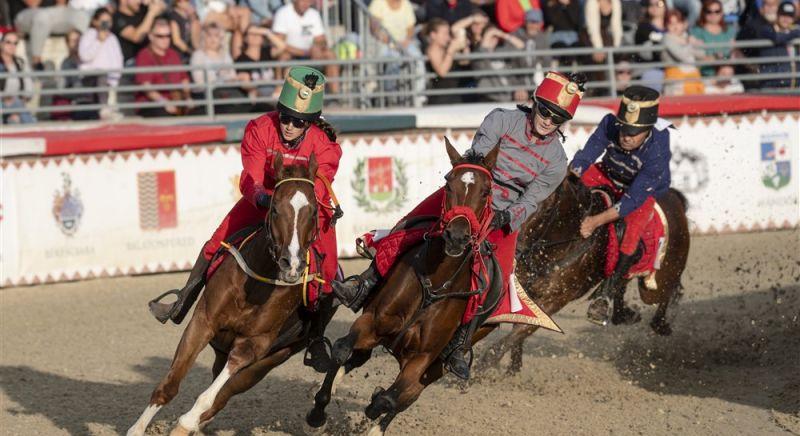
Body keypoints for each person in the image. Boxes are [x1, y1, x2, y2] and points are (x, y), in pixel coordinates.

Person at [333, 71, 585, 380]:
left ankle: (459, 344)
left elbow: (532, 200)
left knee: (500, 282)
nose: (548, 120)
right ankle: (364, 284)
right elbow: (476, 160)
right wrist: (471, 200)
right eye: (546, 110)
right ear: (534, 102)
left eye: (557, 117)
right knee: (406, 227)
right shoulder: (501, 119)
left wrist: (508, 216)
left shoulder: (557, 160)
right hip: (470, 194)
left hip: (503, 215)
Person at [148, 66, 342, 328]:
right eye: (285, 117)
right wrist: (264, 199)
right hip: (264, 200)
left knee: (328, 264)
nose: (288, 126)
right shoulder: (260, 129)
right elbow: (251, 178)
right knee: (215, 242)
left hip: (304, 205)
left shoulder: (325, 145)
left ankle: (317, 332)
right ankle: (182, 303)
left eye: (298, 122)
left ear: (310, 123)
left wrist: (294, 207)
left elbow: (318, 187)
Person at [569, 86, 672, 326]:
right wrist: (573, 176)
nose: (626, 136)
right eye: (624, 129)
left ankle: (606, 294)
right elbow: (587, 155)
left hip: (638, 190)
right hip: (607, 173)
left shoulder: (658, 148)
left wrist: (594, 222)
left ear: (647, 130)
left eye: (634, 132)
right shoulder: (609, 123)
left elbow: (632, 200)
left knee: (632, 231)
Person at [271, 0, 340, 94]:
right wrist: (305, 52)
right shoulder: (283, 13)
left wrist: (316, 47)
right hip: (291, 55)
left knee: (330, 55)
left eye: (309, 1)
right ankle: (280, 92)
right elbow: (279, 44)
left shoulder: (314, 14)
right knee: (283, 56)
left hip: (310, 54)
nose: (306, 4)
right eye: (303, 1)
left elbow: (322, 40)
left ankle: (335, 96)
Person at [134, 18, 194, 117]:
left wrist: (187, 98)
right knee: (162, 113)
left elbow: (184, 79)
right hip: (152, 104)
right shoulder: (144, 56)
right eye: (160, 36)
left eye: (168, 36)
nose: (165, 39)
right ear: (151, 36)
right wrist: (163, 102)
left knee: (199, 110)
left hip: (176, 100)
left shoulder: (174, 54)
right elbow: (146, 87)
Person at [13, 0, 96, 69]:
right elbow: (33, 3)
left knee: (82, 17)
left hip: (54, 12)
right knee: (42, 17)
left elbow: (61, 4)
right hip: (27, 14)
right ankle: (37, 62)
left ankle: (79, 60)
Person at [79, 7, 124, 116]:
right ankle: (104, 108)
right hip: (91, 78)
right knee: (102, 76)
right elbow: (84, 56)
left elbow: (118, 59)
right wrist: (99, 41)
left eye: (109, 21)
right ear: (95, 21)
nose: (106, 24)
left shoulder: (113, 38)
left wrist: (115, 78)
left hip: (110, 79)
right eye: (103, 21)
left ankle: (109, 108)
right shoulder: (89, 34)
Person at [234, 25, 286, 111]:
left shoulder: (267, 52)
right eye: (251, 34)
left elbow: (282, 46)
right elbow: (246, 84)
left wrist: (266, 32)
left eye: (258, 34)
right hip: (256, 94)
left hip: (274, 91)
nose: (255, 36)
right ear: (245, 38)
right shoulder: (241, 59)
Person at [424, 17, 470, 104]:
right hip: (440, 98)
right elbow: (442, 72)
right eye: (445, 34)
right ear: (433, 35)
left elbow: (464, 62)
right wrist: (451, 51)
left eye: (448, 34)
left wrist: (465, 47)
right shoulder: (432, 50)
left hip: (454, 94)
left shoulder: (446, 48)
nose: (448, 37)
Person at [756, 1, 800, 89]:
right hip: (772, 88)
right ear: (778, 15)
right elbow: (777, 38)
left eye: (789, 16)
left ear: (793, 19)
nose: (786, 19)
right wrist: (795, 33)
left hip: (793, 87)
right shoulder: (766, 29)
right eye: (783, 15)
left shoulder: (794, 31)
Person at [662, 9, 706, 95]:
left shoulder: (686, 37)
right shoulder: (667, 38)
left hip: (693, 77)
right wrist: (690, 44)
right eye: (671, 23)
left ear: (683, 24)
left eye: (678, 22)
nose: (675, 26)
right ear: (666, 26)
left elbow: (702, 54)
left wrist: (690, 43)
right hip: (676, 82)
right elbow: (682, 56)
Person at [689, 0, 736, 76]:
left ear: (722, 12)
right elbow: (696, 58)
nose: (713, 14)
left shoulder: (729, 31)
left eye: (717, 11)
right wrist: (717, 58)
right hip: (705, 75)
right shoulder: (696, 32)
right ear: (703, 13)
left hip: (727, 74)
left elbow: (734, 55)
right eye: (709, 11)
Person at [0, 31, 36, 124]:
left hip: (17, 103)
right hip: (2, 103)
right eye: (8, 42)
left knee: (15, 118)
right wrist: (5, 99)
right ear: (1, 43)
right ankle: (33, 127)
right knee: (19, 111)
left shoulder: (20, 63)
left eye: (15, 43)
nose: (12, 45)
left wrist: (22, 98)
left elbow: (29, 87)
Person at [634, 0, 667, 90]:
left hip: (670, 68)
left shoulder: (671, 25)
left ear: (665, 6)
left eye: (658, 4)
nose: (654, 7)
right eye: (651, 4)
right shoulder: (643, 27)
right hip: (651, 69)